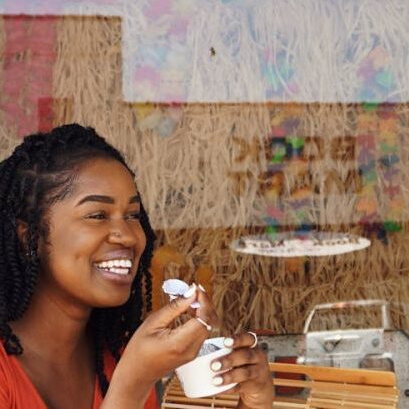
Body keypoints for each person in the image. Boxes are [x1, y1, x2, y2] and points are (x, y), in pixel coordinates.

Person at [0, 124, 274, 408]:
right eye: (97, 215)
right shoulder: (130, 367)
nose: (129, 236)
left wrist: (254, 402)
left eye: (132, 215)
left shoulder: (113, 357)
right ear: (29, 237)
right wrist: (134, 383)